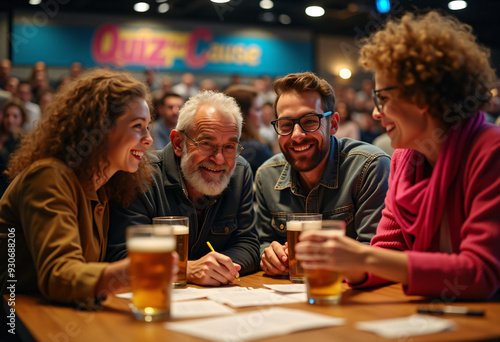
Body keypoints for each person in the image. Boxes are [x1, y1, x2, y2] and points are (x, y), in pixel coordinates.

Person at [296, 11, 500, 300]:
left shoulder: (490, 151)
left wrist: (362, 258)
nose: (377, 112)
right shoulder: (405, 158)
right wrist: (344, 263)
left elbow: (480, 273)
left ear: (423, 95)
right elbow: (389, 253)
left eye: (385, 98)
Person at [0, 68, 174, 307]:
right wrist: (137, 268)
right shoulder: (49, 175)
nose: (148, 138)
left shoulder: (101, 188)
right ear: (99, 128)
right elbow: (58, 276)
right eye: (137, 126)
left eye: (148, 127)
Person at [106, 90, 261, 286]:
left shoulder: (240, 172)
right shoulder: (141, 174)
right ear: (179, 143)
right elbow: (121, 254)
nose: (219, 159)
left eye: (229, 147)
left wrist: (217, 268)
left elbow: (248, 244)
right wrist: (186, 269)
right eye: (206, 144)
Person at [256, 71, 390, 276]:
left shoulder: (369, 167)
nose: (297, 135)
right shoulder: (267, 176)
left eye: (310, 121)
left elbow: (377, 254)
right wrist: (268, 255)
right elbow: (262, 241)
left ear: (333, 124)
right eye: (286, 125)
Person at [225, 85, 273, 175]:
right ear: (243, 114)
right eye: (258, 109)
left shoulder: (223, 145)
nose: (263, 114)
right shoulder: (256, 149)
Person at [0, 99, 26, 196]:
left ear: (22, 119)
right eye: (7, 115)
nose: (10, 120)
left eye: (15, 116)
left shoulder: (23, 142)